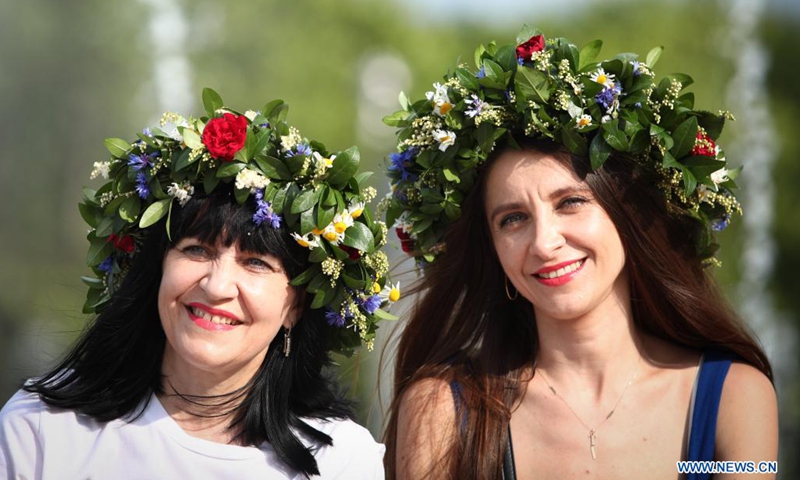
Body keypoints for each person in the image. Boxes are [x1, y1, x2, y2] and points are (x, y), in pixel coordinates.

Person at [380, 27, 778, 479]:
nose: (544, 243)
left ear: (627, 215)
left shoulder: (735, 396)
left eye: (570, 202)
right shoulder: (445, 410)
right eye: (512, 219)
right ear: (491, 248)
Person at [0, 88, 396, 479]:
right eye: (197, 251)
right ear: (156, 269)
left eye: (255, 262)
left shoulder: (341, 462)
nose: (217, 285)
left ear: (296, 306)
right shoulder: (41, 430)